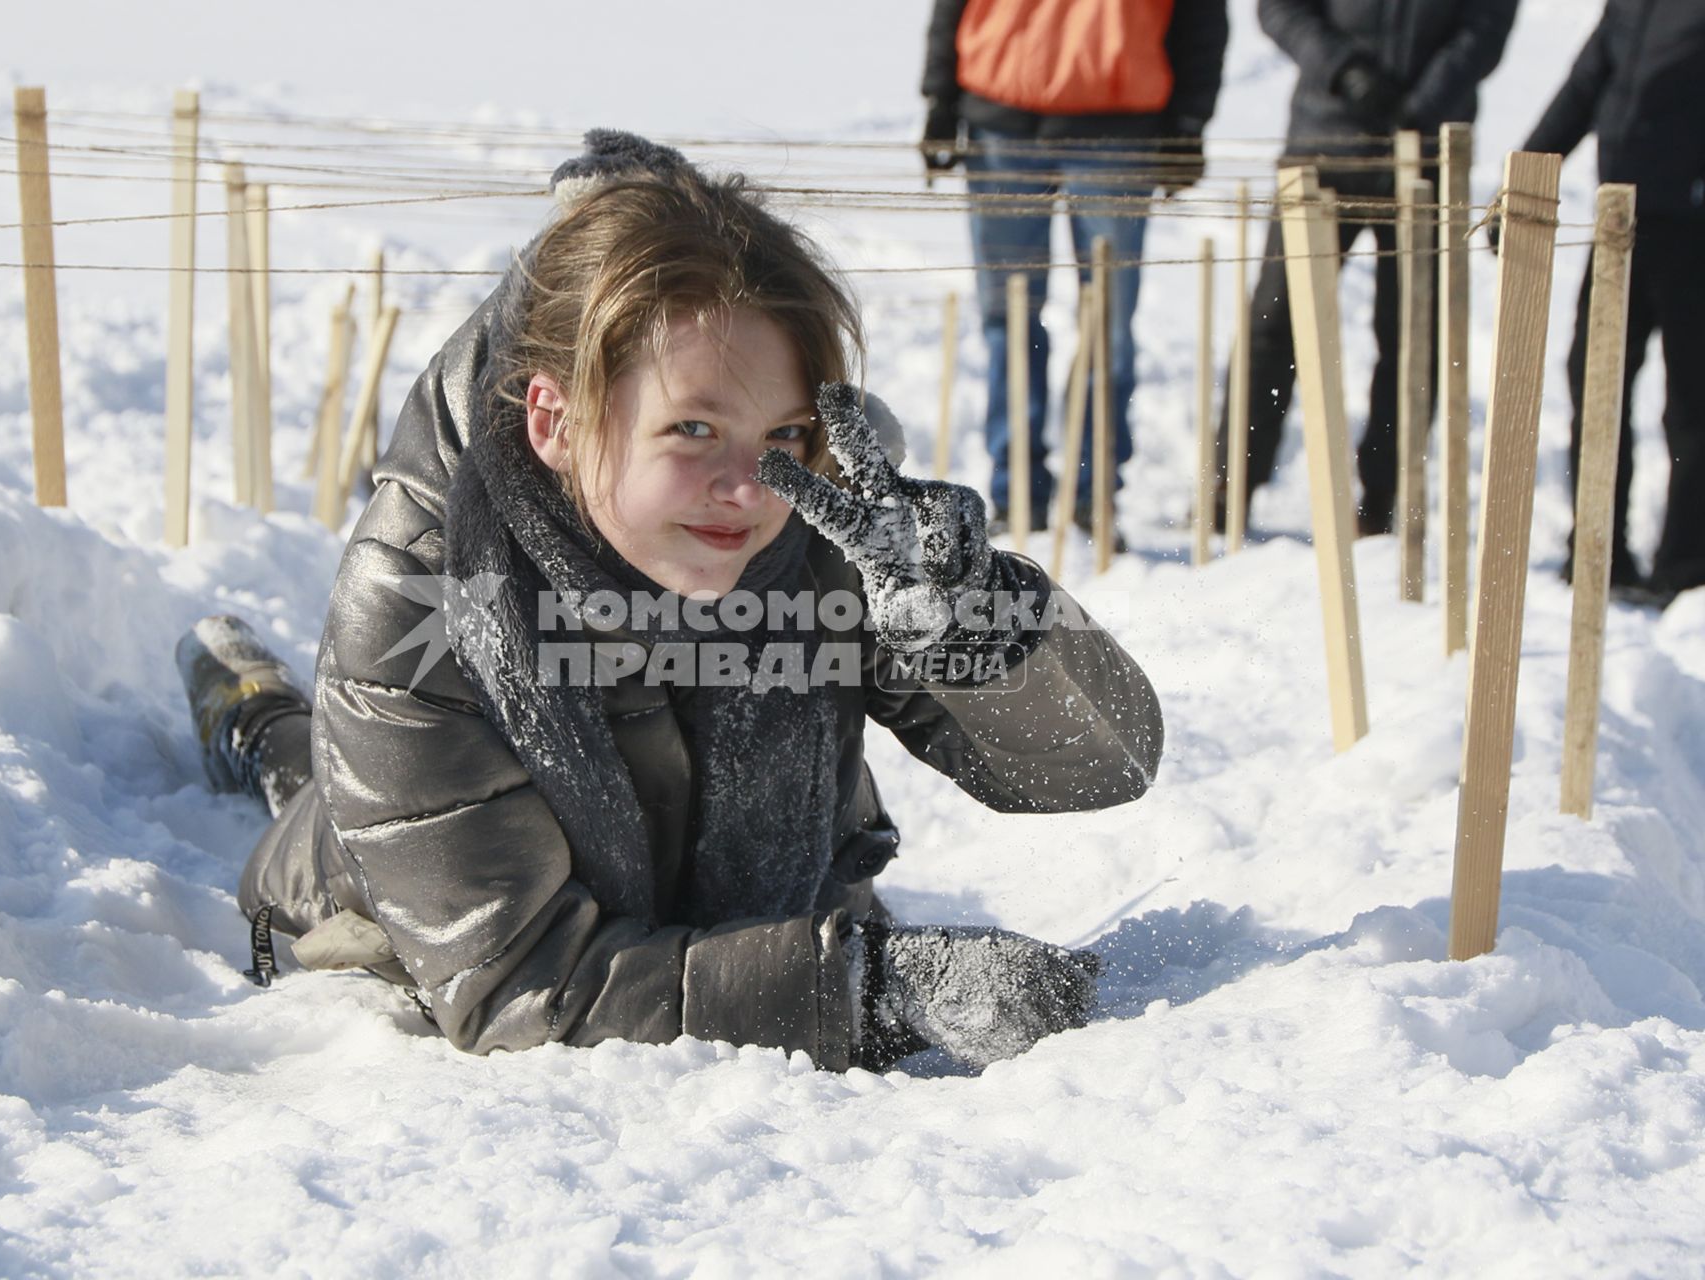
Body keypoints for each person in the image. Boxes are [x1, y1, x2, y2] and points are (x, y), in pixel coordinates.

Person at [175, 132, 1164, 1073]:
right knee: (309, 770)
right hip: (393, 906)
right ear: (555, 421)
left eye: (781, 433)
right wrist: (862, 992)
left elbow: (1106, 763)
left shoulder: (824, 530)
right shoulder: (424, 597)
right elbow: (519, 988)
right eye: (692, 428)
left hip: (682, 918)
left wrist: (973, 620)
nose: (748, 486)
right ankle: (252, 705)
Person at [921, 0, 1229, 539]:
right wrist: (940, 98)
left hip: (1117, 125)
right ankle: (1017, 493)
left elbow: (1202, 16)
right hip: (1001, 113)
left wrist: (1188, 122)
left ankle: (1093, 496)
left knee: (1106, 325)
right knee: (1009, 318)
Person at [1221, 0, 1517, 535]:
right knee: (1276, 319)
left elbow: (1486, 26)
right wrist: (1344, 69)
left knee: (1411, 333)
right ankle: (1232, 483)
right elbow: (1281, 9)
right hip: (1325, 143)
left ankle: (1382, 494)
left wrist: (1423, 104)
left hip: (1428, 155)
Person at [1521, 0, 1705, 603]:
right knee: (1595, 385)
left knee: (1691, 408)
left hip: (1692, 230)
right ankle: (1598, 554)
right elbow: (1582, 88)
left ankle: (1686, 569)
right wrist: (1524, 185)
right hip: (1618, 226)